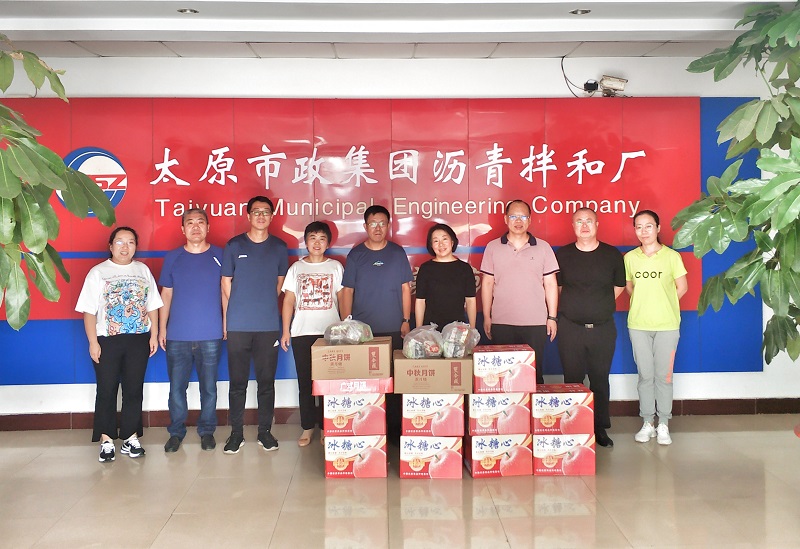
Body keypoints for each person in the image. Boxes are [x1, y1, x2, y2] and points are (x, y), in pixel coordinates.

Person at [75, 227, 163, 462]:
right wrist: (93, 342)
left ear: (136, 246)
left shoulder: (143, 270)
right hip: (107, 341)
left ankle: (130, 437)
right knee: (107, 389)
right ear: (111, 246)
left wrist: (153, 334)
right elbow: (89, 311)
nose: (125, 247)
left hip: (138, 339)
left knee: (134, 389)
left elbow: (153, 305)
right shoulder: (98, 272)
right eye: (120, 242)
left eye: (131, 242)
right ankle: (106, 440)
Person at [221, 196, 288, 454]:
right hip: (238, 325)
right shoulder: (234, 245)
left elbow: (280, 283)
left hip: (267, 325)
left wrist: (264, 302)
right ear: (248, 216)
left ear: (272, 216)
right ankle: (236, 434)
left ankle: (264, 432)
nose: (261, 216)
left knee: (266, 383)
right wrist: (238, 307)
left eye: (266, 211)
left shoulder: (279, 247)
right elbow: (226, 282)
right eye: (256, 211)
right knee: (237, 383)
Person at [556, 208, 625, 448]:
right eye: (579, 221)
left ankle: (599, 427)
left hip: (602, 328)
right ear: (572, 226)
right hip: (570, 328)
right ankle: (573, 426)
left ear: (597, 224)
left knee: (600, 379)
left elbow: (619, 286)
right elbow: (558, 288)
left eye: (589, 221)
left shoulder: (612, 254)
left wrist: (599, 305)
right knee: (572, 379)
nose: (584, 226)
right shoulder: (563, 255)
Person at [158, 208, 223, 453]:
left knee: (209, 388)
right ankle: (176, 432)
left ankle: (207, 431)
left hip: (211, 334)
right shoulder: (172, 257)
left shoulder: (220, 255)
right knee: (177, 388)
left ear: (208, 227)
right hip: (177, 335)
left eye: (200, 222)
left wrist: (226, 324)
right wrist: (162, 329)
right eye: (190, 223)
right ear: (182, 229)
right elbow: (166, 294)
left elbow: (227, 291)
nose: (195, 227)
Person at [625, 209, 688, 446]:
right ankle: (647, 422)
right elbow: (629, 288)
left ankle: (663, 423)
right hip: (638, 325)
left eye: (649, 226)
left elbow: (682, 287)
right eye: (639, 227)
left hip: (667, 326)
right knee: (645, 376)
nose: (644, 231)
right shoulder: (630, 258)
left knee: (664, 376)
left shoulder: (672, 257)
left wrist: (664, 304)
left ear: (658, 228)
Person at [480, 199, 559, 385]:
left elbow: (550, 284)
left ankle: (534, 405)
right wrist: (487, 316)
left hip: (535, 322)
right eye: (513, 216)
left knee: (534, 374)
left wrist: (552, 317)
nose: (518, 221)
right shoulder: (492, 247)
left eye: (523, 217)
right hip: (502, 321)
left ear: (529, 220)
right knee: (503, 376)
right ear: (505, 219)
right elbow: (487, 284)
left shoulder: (543, 247)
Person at [280, 221, 344, 447]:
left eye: (322, 238)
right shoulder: (296, 268)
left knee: (329, 383)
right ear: (306, 242)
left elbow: (343, 298)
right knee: (305, 383)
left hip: (330, 335)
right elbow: (288, 301)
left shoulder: (335, 267)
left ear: (328, 243)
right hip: (302, 332)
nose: (317, 243)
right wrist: (286, 330)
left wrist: (345, 327)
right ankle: (307, 427)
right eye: (312, 238)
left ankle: (327, 427)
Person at [340, 205, 413, 350]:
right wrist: (347, 324)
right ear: (365, 226)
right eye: (373, 224)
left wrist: (406, 320)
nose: (378, 228)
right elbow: (348, 291)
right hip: (362, 328)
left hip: (394, 326)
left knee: (393, 363)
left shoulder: (398, 253)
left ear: (388, 226)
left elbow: (405, 288)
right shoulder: (355, 255)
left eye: (382, 224)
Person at [414, 223, 477, 329]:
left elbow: (470, 300)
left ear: (452, 242)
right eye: (436, 241)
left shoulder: (464, 269)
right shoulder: (425, 269)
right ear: (431, 245)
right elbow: (420, 301)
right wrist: (419, 330)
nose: (441, 244)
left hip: (457, 330)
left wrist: (472, 329)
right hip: (431, 330)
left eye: (444, 239)